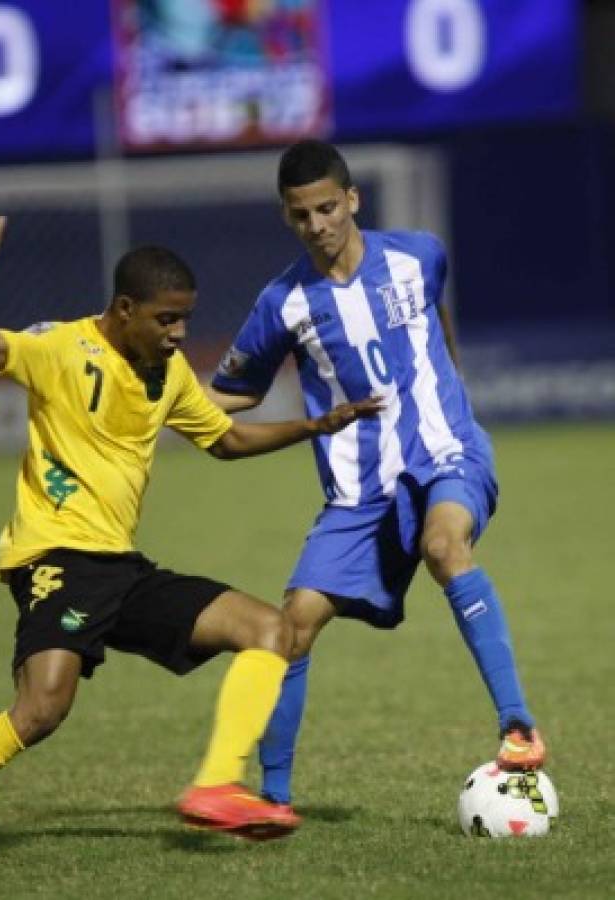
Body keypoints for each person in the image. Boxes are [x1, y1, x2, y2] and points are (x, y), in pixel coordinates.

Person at [0, 198, 375, 867]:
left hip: (122, 569)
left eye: (185, 317)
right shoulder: (61, 348)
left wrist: (314, 425)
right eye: (166, 318)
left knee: (271, 631)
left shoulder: (168, 377)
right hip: (54, 557)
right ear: (123, 309)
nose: (179, 331)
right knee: (41, 711)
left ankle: (216, 786)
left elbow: (226, 440)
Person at [208, 140, 546, 814]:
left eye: (328, 208)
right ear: (287, 217)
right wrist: (157, 402)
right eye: (301, 215)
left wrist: (449, 400)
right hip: (357, 495)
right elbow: (233, 391)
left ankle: (517, 726)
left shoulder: (416, 254)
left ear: (352, 199)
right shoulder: (282, 304)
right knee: (291, 626)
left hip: (444, 453)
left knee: (444, 546)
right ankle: (273, 802)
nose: (318, 225)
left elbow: (435, 316)